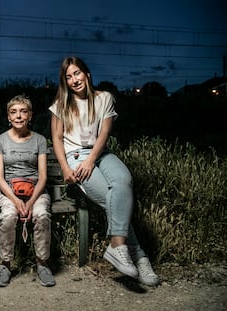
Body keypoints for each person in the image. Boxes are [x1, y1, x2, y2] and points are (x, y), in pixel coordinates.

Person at [49, 56, 159, 287]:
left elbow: (104, 134)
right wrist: (66, 168)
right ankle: (138, 256)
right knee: (112, 198)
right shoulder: (60, 104)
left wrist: (91, 160)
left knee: (124, 181)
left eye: (77, 73)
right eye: (68, 77)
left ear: (87, 74)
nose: (74, 79)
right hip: (75, 158)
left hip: (100, 153)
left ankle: (116, 246)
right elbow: (57, 140)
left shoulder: (104, 98)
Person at [0, 95, 56, 287]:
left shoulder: (39, 140)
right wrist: (17, 202)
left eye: (23, 111)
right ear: (9, 117)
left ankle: (42, 263)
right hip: (10, 191)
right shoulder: (0, 140)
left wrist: (30, 201)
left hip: (36, 190)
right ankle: (5, 265)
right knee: (8, 217)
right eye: (14, 112)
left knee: (42, 214)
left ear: (30, 115)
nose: (18, 116)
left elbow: (43, 176)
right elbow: (0, 178)